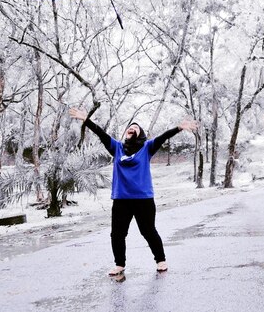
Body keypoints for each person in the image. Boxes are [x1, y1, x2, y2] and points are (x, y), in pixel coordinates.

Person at [69, 107, 197, 276]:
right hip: (121, 199)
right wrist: (87, 120)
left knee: (148, 231)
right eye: (130, 126)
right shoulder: (117, 148)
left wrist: (179, 128)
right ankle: (119, 264)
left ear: (141, 133)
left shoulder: (147, 147)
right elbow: (102, 135)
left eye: (136, 127)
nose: (132, 127)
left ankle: (161, 260)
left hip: (143, 199)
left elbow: (163, 137)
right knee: (117, 234)